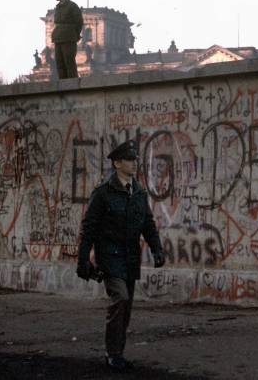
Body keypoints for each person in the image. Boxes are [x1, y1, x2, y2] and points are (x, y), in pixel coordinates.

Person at [76, 140, 165, 371]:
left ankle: (118, 352)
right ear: (117, 163)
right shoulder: (103, 192)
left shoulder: (138, 191)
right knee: (121, 298)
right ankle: (113, 353)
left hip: (130, 258)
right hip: (110, 257)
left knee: (126, 307)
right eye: (129, 159)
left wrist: (157, 249)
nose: (134, 163)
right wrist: (83, 259)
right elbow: (89, 228)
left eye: (135, 159)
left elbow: (147, 223)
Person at [50, 0, 84, 79]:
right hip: (58, 39)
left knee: (69, 62)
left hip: (69, 38)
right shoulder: (57, 8)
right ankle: (63, 85)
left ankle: (72, 84)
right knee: (60, 63)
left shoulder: (72, 6)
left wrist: (74, 35)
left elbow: (79, 22)